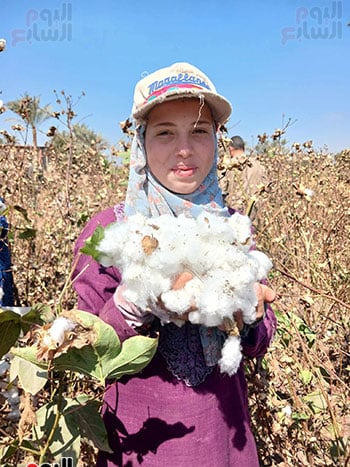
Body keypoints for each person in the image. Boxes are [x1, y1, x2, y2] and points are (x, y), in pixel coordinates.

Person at [72, 62, 276, 466]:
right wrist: (137, 302)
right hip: (141, 448)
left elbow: (261, 340)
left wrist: (251, 315)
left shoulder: (231, 226)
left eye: (199, 132)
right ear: (141, 142)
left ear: (216, 142)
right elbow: (85, 354)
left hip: (226, 446)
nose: (184, 149)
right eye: (165, 133)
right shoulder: (109, 233)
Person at [218, 135, 268, 222]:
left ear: (230, 148)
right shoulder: (259, 165)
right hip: (256, 214)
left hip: (235, 215)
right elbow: (266, 188)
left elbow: (222, 189)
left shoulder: (229, 166)